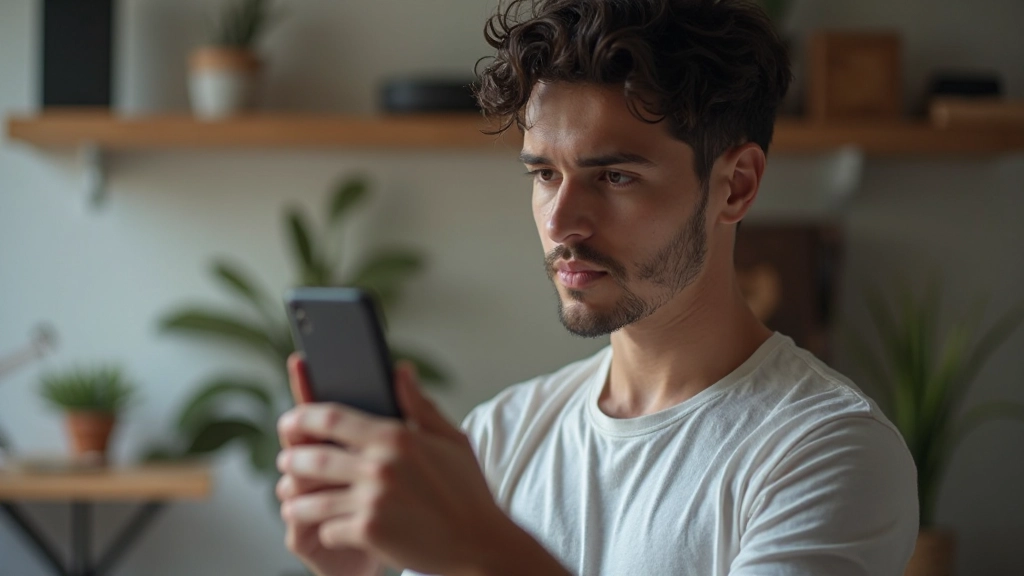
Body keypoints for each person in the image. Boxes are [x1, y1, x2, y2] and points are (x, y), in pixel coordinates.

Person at [274, 0, 920, 574]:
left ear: (737, 185)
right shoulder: (500, 436)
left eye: (613, 177)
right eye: (545, 175)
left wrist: (483, 551)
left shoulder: (829, 453)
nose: (560, 221)